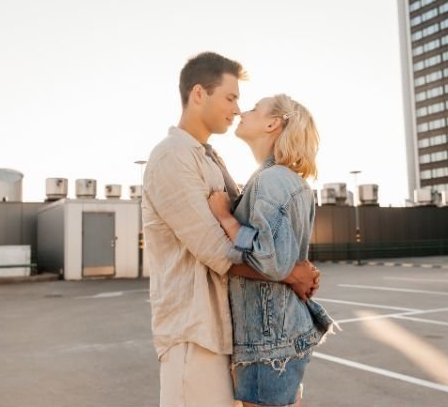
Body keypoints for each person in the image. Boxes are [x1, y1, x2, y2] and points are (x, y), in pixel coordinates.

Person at [141, 52, 320, 407]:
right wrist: (289, 274)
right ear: (198, 94)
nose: (237, 109)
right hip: (194, 333)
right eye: (230, 97)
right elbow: (215, 249)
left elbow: (254, 237)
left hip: (227, 333)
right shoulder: (172, 157)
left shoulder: (210, 158)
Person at [208, 94, 337, 407]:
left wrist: (226, 218)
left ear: (272, 123)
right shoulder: (281, 179)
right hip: (275, 337)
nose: (242, 111)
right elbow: (285, 257)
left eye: (252, 108)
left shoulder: (272, 180)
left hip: (269, 341)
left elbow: (271, 260)